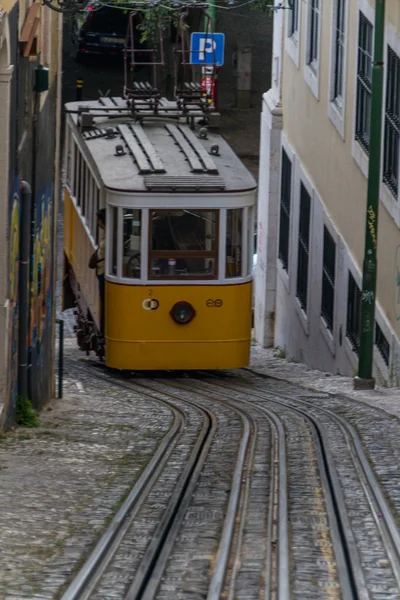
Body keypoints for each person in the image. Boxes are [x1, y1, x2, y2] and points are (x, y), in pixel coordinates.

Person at [89, 209, 106, 334]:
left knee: (104, 298)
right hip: (102, 270)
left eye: (98, 220)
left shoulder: (109, 237)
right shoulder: (107, 233)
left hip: (103, 272)